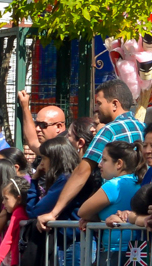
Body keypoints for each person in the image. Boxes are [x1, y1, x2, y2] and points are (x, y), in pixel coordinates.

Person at [39, 78, 142, 223]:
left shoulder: (108, 130)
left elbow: (83, 170)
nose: (97, 109)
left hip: (113, 213)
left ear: (115, 104)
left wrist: (54, 213)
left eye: (99, 103)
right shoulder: (144, 128)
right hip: (136, 214)